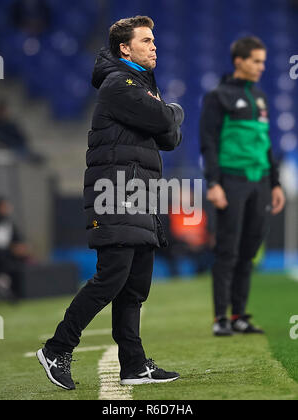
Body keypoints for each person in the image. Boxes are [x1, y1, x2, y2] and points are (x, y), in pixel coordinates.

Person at [37, 16, 184, 390]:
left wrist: (167, 117)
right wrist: (172, 113)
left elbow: (169, 139)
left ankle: (134, 365)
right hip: (116, 193)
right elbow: (167, 121)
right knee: (111, 278)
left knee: (134, 285)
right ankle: (57, 348)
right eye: (146, 40)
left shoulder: (141, 85)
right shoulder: (120, 84)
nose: (154, 46)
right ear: (124, 48)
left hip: (139, 195)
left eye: (154, 40)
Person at [200, 36, 286, 337]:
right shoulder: (218, 97)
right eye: (257, 61)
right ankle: (220, 318)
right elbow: (208, 143)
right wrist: (213, 183)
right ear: (240, 61)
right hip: (232, 181)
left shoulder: (260, 97)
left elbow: (266, 145)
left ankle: (239, 316)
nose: (262, 66)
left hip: (260, 182)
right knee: (227, 250)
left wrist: (274, 183)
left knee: (248, 251)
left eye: (263, 61)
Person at [0, 197, 29, 302]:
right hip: (2, 259)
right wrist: (11, 249)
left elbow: (17, 239)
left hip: (9, 258)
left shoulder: (9, 223)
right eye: (4, 207)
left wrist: (21, 247)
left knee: (19, 264)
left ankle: (14, 293)